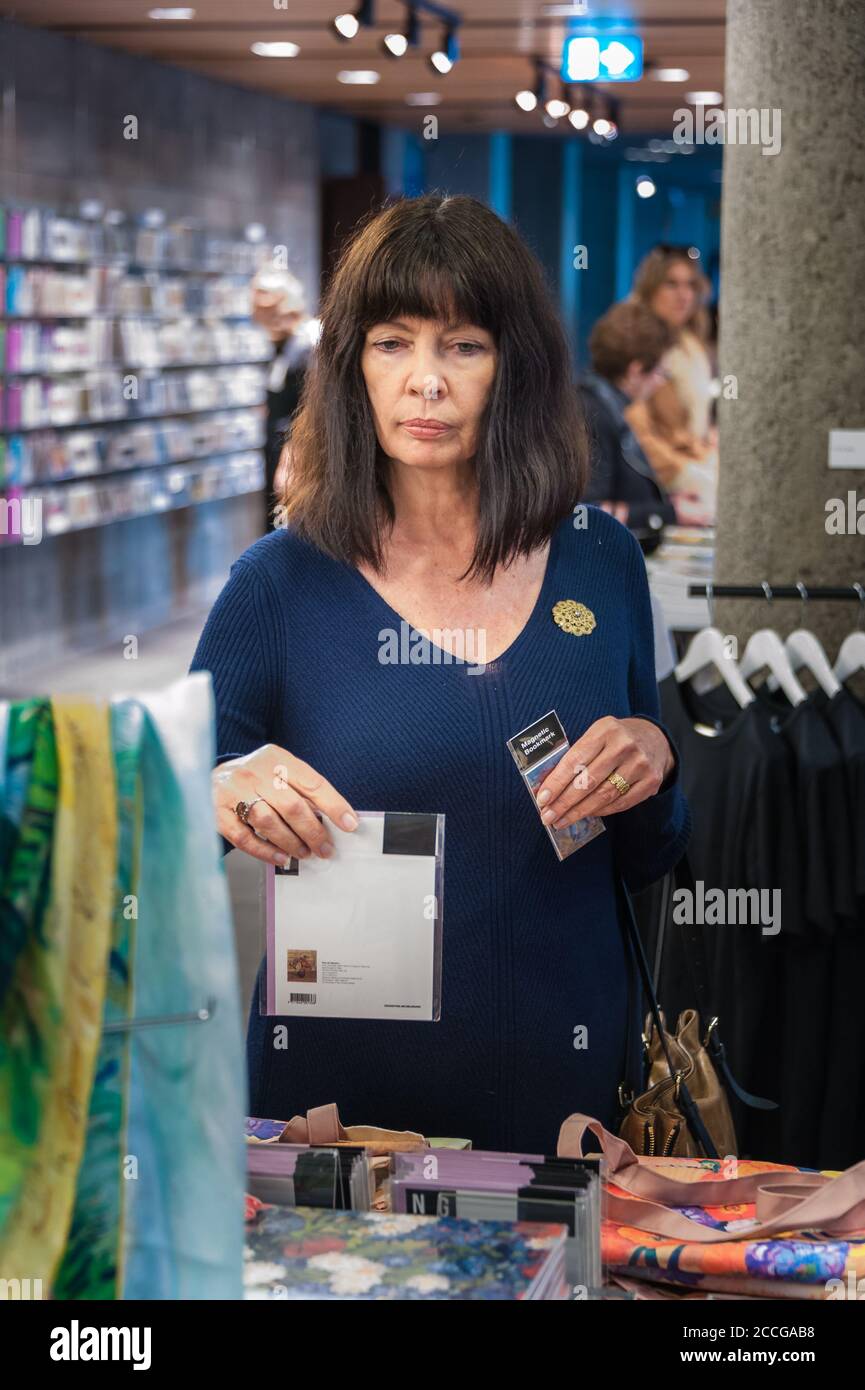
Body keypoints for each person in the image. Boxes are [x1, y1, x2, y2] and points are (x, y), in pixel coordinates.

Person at [191, 194, 690, 1153]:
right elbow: (157, 830)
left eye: (462, 346)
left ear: (515, 367)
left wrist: (654, 758)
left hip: (563, 1097)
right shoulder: (279, 584)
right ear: (353, 366)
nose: (425, 382)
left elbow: (647, 856)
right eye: (392, 343)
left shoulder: (598, 560)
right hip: (340, 1121)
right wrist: (213, 784)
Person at [578, 301, 677, 553]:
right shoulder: (593, 412)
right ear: (635, 370)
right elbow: (587, 513)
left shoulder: (602, 404)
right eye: (659, 373)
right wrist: (670, 513)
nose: (659, 384)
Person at [627, 244, 717, 514]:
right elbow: (635, 431)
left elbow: (697, 420)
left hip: (697, 466)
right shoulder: (636, 343)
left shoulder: (691, 344)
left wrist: (709, 444)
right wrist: (688, 472)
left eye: (690, 285)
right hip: (661, 486)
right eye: (672, 285)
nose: (684, 295)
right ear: (651, 289)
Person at [249, 268, 318, 530]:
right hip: (277, 446)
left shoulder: (310, 341)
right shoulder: (282, 343)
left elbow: (315, 408)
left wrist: (293, 456)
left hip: (298, 452)